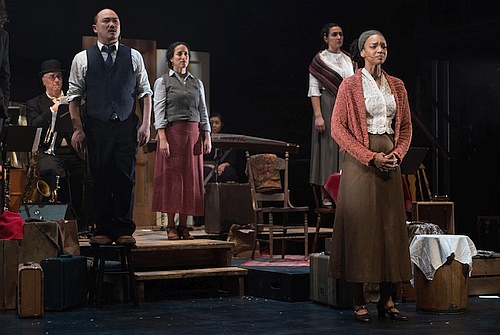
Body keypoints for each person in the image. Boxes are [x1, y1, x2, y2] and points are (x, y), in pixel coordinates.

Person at [328, 30, 413, 323]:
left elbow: (406, 127)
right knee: (361, 230)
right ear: (362, 51)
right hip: (360, 164)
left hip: (390, 162)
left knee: (390, 228)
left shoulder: (397, 86)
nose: (380, 50)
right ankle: (358, 300)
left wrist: (397, 155)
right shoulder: (349, 85)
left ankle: (388, 299)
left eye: (384, 46)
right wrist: (369, 156)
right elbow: (337, 127)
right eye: (374, 46)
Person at [67, 8, 152, 245]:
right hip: (98, 126)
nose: (112, 24)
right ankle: (102, 228)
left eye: (115, 21)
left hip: (126, 124)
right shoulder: (82, 58)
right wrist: (78, 128)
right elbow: (73, 97)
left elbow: (145, 92)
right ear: (96, 28)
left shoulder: (134, 56)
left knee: (126, 177)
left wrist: (146, 124)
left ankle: (124, 228)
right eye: (106, 21)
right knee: (101, 175)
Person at [151, 41, 211, 240]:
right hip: (172, 133)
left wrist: (207, 135)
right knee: (172, 179)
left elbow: (203, 110)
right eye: (179, 54)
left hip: (193, 134)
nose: (183, 57)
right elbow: (159, 110)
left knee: (190, 179)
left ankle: (184, 226)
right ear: (171, 58)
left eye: (185, 54)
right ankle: (170, 225)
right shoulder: (163, 82)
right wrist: (162, 138)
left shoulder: (197, 83)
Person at [26, 59, 93, 231]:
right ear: (43, 81)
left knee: (90, 174)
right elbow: (33, 126)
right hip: (49, 152)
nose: (56, 80)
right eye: (52, 77)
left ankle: (85, 221)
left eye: (59, 77)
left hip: (72, 150)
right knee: (49, 170)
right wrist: (52, 111)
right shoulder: (35, 104)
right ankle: (53, 222)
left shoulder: (73, 102)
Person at [308, 22, 354, 208]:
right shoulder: (319, 61)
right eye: (334, 34)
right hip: (327, 105)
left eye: (341, 34)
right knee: (326, 149)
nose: (338, 38)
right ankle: (325, 193)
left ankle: (344, 191)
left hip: (347, 106)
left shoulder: (349, 59)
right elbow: (314, 90)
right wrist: (319, 115)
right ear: (326, 38)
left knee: (345, 149)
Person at [203, 113, 238, 183]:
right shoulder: (202, 139)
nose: (213, 125)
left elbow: (232, 158)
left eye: (217, 123)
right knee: (205, 171)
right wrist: (209, 165)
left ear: (221, 125)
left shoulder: (227, 139)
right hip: (206, 166)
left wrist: (223, 165)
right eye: (211, 123)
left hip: (220, 167)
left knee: (230, 171)